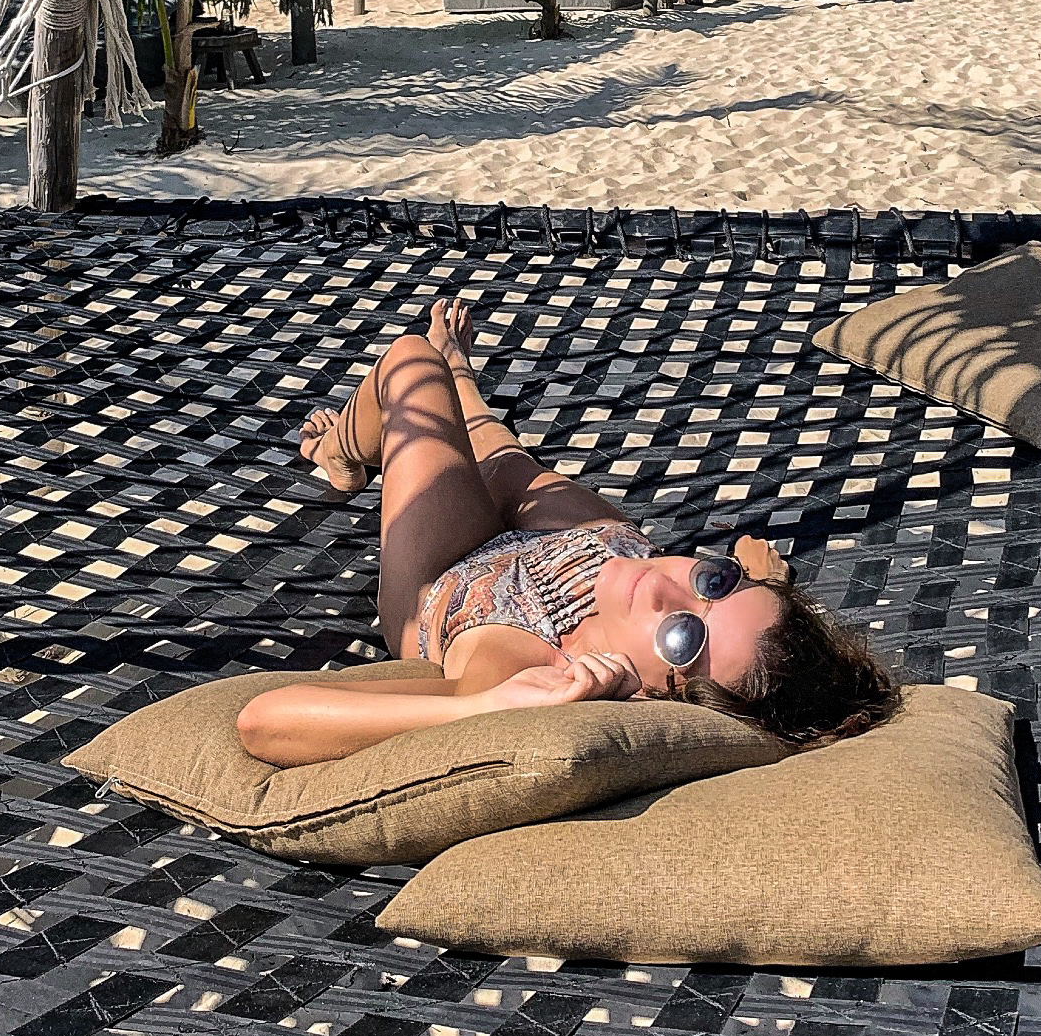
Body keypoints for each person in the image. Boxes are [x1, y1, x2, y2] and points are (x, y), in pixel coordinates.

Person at [236, 299, 899, 767]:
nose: (668, 590)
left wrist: (481, 709)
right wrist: (765, 583)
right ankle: (465, 380)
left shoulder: (530, 676)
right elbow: (721, 620)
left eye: (681, 636)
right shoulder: (638, 571)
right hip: (580, 552)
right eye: (712, 580)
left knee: (411, 365)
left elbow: (266, 721)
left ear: (651, 695)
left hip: (448, 570)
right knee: (511, 465)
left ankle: (343, 454)